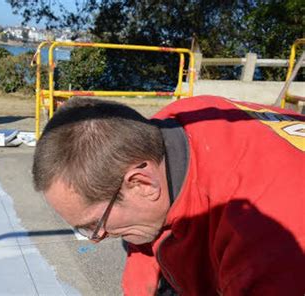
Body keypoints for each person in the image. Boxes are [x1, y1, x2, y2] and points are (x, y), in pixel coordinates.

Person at [32, 95, 305, 295]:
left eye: (95, 225)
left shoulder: (269, 243)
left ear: (142, 183)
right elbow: (145, 235)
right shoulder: (176, 123)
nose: (96, 239)